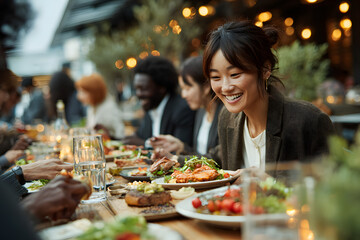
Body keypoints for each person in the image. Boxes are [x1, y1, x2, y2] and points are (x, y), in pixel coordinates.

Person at [154, 21, 335, 179]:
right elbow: (218, 159)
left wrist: (270, 183)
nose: (225, 87)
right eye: (215, 77)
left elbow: (337, 186)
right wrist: (175, 159)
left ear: (265, 69)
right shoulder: (227, 118)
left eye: (235, 74)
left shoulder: (307, 120)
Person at [150, 56, 223, 155]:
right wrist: (181, 146)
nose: (183, 95)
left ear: (206, 87)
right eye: (182, 89)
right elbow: (200, 155)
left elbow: (217, 160)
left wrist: (175, 159)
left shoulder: (224, 115)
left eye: (187, 88)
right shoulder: (201, 112)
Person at [122, 56, 196, 147]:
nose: (138, 94)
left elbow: (181, 150)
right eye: (137, 89)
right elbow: (137, 137)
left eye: (143, 89)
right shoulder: (151, 108)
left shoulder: (182, 109)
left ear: (162, 87)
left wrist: (145, 144)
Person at [75, 73, 125, 139]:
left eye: (82, 92)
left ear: (94, 92)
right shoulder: (92, 107)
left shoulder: (108, 108)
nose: (79, 96)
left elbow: (120, 134)